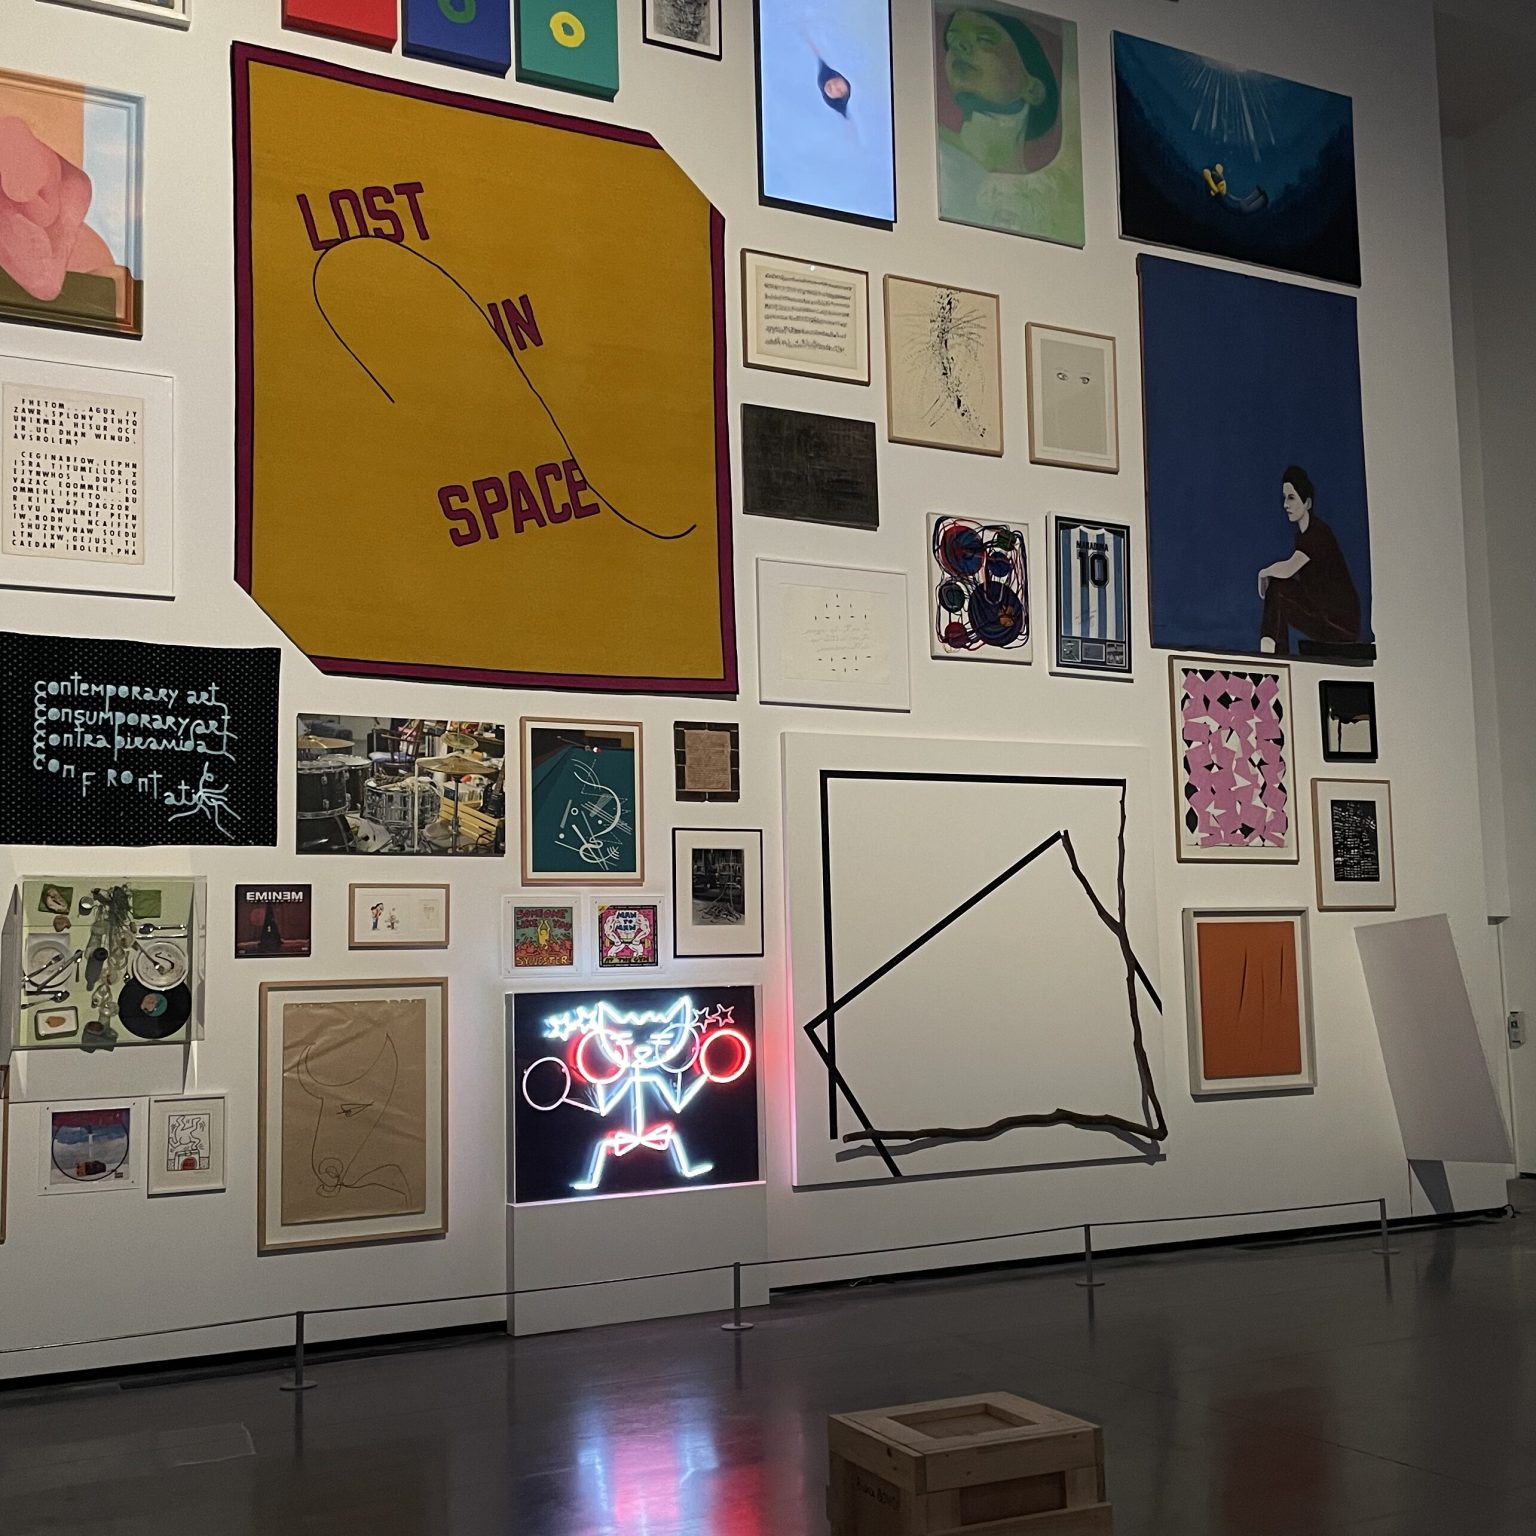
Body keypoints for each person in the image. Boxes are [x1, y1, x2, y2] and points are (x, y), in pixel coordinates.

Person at [936, 7, 1080, 241]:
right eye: (952, 41)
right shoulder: (939, 158)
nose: (959, 46)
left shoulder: (1045, 194)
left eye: (984, 40)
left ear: (1034, 89)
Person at [1257, 466, 1360, 655]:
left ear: (1308, 503)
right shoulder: (1302, 536)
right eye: (1284, 498)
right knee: (1278, 589)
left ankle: (1270, 650)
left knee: (1278, 586)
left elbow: (1288, 568)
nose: (1285, 505)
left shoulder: (1318, 534)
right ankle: (1274, 651)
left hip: (1340, 626)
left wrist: (1264, 572)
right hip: (1323, 615)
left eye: (1291, 498)